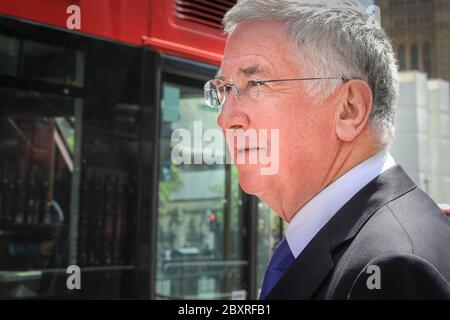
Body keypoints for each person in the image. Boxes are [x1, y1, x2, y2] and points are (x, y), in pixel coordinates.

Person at [204, 0, 450, 299]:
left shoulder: (394, 267)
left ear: (349, 109)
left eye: (255, 84)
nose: (225, 118)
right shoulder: (329, 239)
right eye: (225, 89)